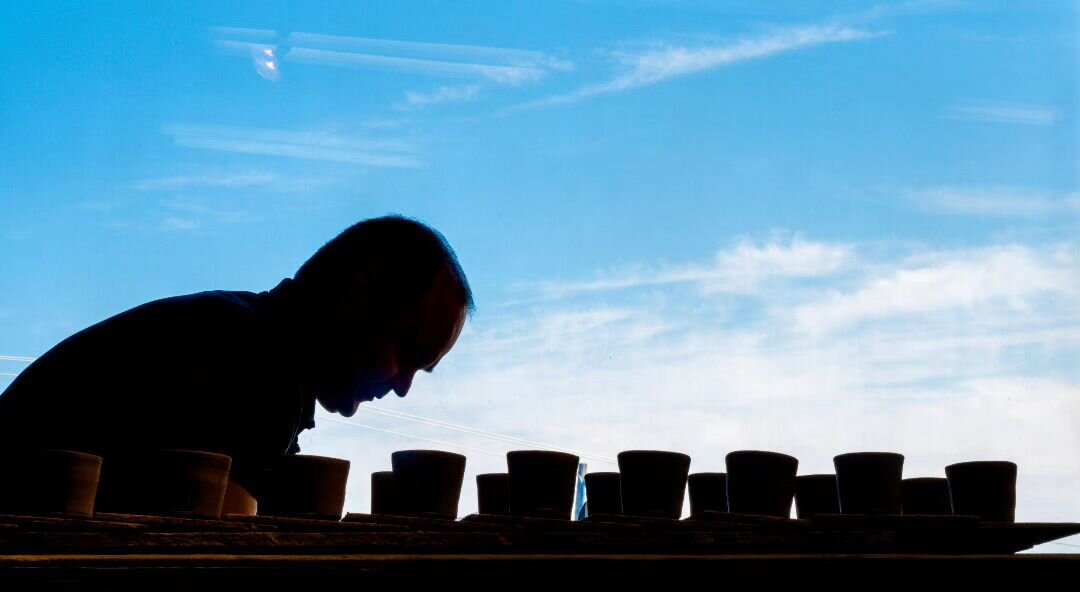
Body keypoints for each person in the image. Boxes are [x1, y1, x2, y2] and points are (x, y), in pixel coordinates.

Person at [0, 215, 473, 511]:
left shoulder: (238, 337)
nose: (404, 386)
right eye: (407, 352)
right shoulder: (242, 361)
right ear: (356, 296)